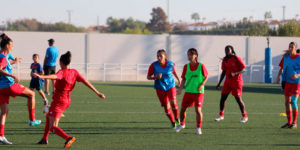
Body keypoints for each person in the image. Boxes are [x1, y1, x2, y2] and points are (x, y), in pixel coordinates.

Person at [35, 51, 105, 148]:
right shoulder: (74, 72)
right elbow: (85, 82)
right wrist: (97, 92)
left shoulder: (62, 72)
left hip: (59, 101)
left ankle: (68, 138)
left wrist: (41, 76)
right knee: (48, 116)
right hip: (66, 100)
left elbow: (55, 76)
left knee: (53, 127)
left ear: (61, 63)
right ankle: (44, 139)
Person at [0, 34, 41, 145]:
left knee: (4, 112)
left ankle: (1, 135)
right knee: (32, 94)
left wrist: (14, 61)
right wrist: (13, 76)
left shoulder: (2, 56)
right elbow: (0, 68)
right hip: (9, 85)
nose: (12, 48)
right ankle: (32, 120)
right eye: (11, 46)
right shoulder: (3, 57)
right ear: (7, 46)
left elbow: (4, 64)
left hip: (1, 88)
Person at [174, 48, 208, 135]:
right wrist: (180, 89)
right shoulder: (186, 66)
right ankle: (182, 124)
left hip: (198, 93)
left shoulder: (201, 65)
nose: (189, 56)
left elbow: (206, 76)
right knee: (182, 110)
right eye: (188, 54)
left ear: (196, 55)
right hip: (188, 91)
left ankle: (198, 128)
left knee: (198, 110)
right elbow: (184, 79)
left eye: (191, 54)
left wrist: (202, 84)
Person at [147, 49, 181, 129]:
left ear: (165, 56)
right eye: (157, 56)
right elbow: (148, 77)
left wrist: (179, 80)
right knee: (166, 106)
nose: (159, 58)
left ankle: (176, 118)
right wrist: (155, 77)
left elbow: (174, 72)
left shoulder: (170, 64)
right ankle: (172, 122)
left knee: (173, 101)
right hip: (159, 88)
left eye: (160, 56)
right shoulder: (153, 65)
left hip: (170, 86)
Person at [215, 45, 248, 123]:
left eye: (228, 50)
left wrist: (234, 74)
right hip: (227, 82)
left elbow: (243, 69)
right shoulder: (225, 60)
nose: (226, 51)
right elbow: (223, 72)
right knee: (222, 98)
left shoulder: (236, 58)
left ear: (232, 50)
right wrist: (219, 83)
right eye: (225, 50)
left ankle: (244, 116)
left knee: (238, 99)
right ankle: (221, 115)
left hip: (237, 82)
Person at [276, 42, 299, 129]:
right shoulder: (285, 57)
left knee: (293, 101)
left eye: (292, 47)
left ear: (296, 48)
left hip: (297, 83)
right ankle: (289, 122)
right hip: (287, 82)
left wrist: (297, 75)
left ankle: (294, 122)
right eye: (289, 47)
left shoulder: (299, 57)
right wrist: (278, 77)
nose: (290, 48)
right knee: (286, 102)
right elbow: (282, 68)